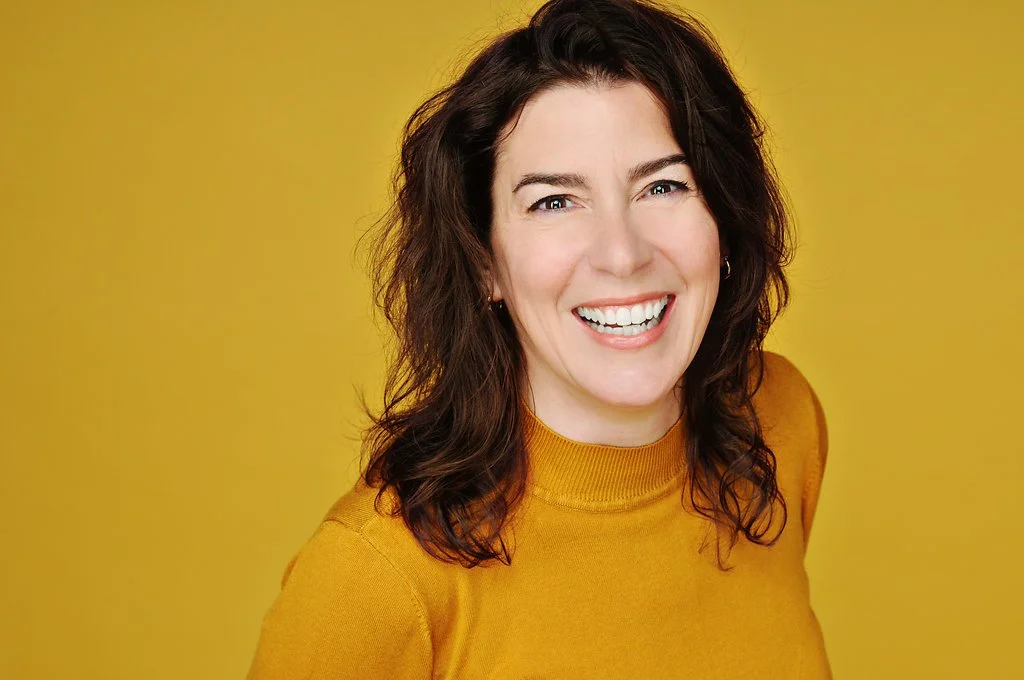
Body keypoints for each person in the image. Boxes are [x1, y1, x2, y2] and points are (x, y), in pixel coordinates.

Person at [245, 0, 831, 677]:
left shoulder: (782, 421)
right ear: (485, 261)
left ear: (724, 221)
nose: (621, 253)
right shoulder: (374, 580)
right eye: (554, 201)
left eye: (663, 186)